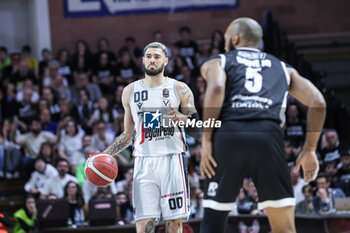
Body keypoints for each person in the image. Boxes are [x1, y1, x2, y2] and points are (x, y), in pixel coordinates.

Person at [199, 17, 326, 233]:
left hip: (229, 135)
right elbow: (318, 102)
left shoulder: (218, 60)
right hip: (269, 137)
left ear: (235, 38)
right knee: (284, 228)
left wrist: (207, 138)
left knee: (213, 225)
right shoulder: (283, 67)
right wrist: (310, 149)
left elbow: (218, 88)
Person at [99, 42, 201, 233]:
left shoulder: (180, 88)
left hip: (172, 159)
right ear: (143, 60)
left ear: (166, 61)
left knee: (174, 223)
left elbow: (198, 131)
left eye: (157, 56)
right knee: (145, 224)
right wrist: (104, 154)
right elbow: (127, 135)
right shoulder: (130, 91)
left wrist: (184, 119)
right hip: (143, 161)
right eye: (149, 56)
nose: (152, 60)